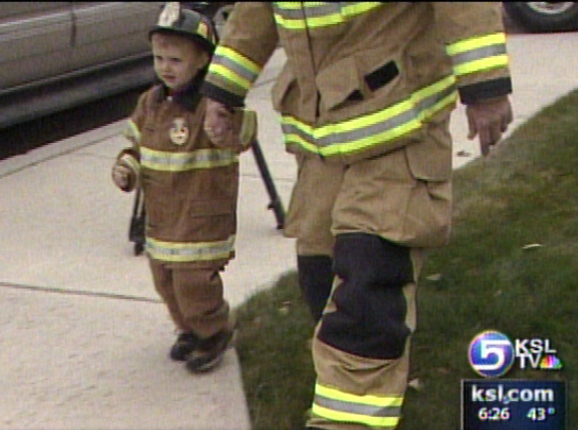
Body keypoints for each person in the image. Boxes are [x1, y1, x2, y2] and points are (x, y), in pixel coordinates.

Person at [200, 2, 513, 428]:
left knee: (369, 286)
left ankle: (347, 422)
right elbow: (256, 12)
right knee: (321, 279)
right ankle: (360, 383)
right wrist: (223, 91)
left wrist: (487, 88)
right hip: (322, 145)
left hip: (400, 131)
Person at [111, 2, 256, 373]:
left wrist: (231, 122)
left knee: (194, 281)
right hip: (162, 218)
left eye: (175, 59)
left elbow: (241, 135)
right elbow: (135, 145)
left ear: (203, 60)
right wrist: (126, 167)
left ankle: (214, 330)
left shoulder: (213, 105)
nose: (165, 67)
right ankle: (189, 328)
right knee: (165, 281)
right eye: (159, 58)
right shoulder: (151, 103)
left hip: (202, 215)